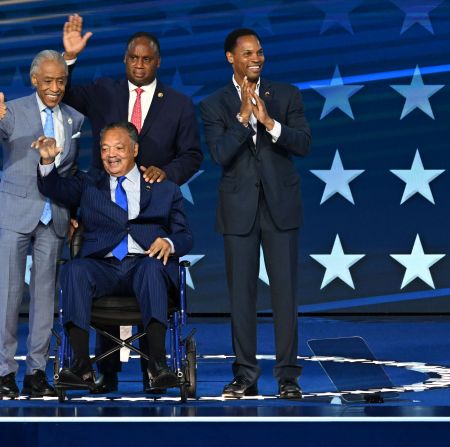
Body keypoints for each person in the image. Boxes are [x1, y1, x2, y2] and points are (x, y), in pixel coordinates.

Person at [61, 14, 203, 393]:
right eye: (132, 59)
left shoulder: (178, 104)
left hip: (150, 210)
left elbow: (191, 155)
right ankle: (97, 370)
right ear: (125, 60)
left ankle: (154, 368)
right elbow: (66, 96)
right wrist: (69, 59)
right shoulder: (104, 91)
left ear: (157, 62)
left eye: (146, 59)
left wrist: (165, 175)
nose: (139, 65)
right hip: (102, 207)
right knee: (92, 265)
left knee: (147, 270)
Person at [35, 121, 193, 393]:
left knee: (152, 268)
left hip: (144, 265)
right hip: (102, 267)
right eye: (105, 148)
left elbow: (185, 236)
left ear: (134, 149)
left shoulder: (164, 189)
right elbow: (55, 189)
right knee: (75, 270)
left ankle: (157, 366)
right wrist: (47, 162)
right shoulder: (89, 183)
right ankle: (81, 366)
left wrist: (168, 242)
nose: (111, 155)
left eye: (119, 148)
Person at [200, 29, 311, 399]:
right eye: (247, 53)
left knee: (285, 295)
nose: (256, 59)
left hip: (281, 207)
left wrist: (269, 124)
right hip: (238, 211)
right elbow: (219, 154)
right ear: (230, 57)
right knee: (241, 297)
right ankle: (245, 375)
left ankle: (288, 377)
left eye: (259, 52)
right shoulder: (214, 104)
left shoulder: (286, 95)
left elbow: (304, 143)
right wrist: (244, 119)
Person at [0, 50, 84, 398]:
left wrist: (73, 210)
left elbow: (68, 172)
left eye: (61, 81)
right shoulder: (13, 110)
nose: (55, 87)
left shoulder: (74, 119)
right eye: (48, 81)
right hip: (15, 214)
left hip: (54, 217)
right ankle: (5, 373)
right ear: (35, 80)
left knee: (45, 299)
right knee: (9, 295)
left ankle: (37, 373)